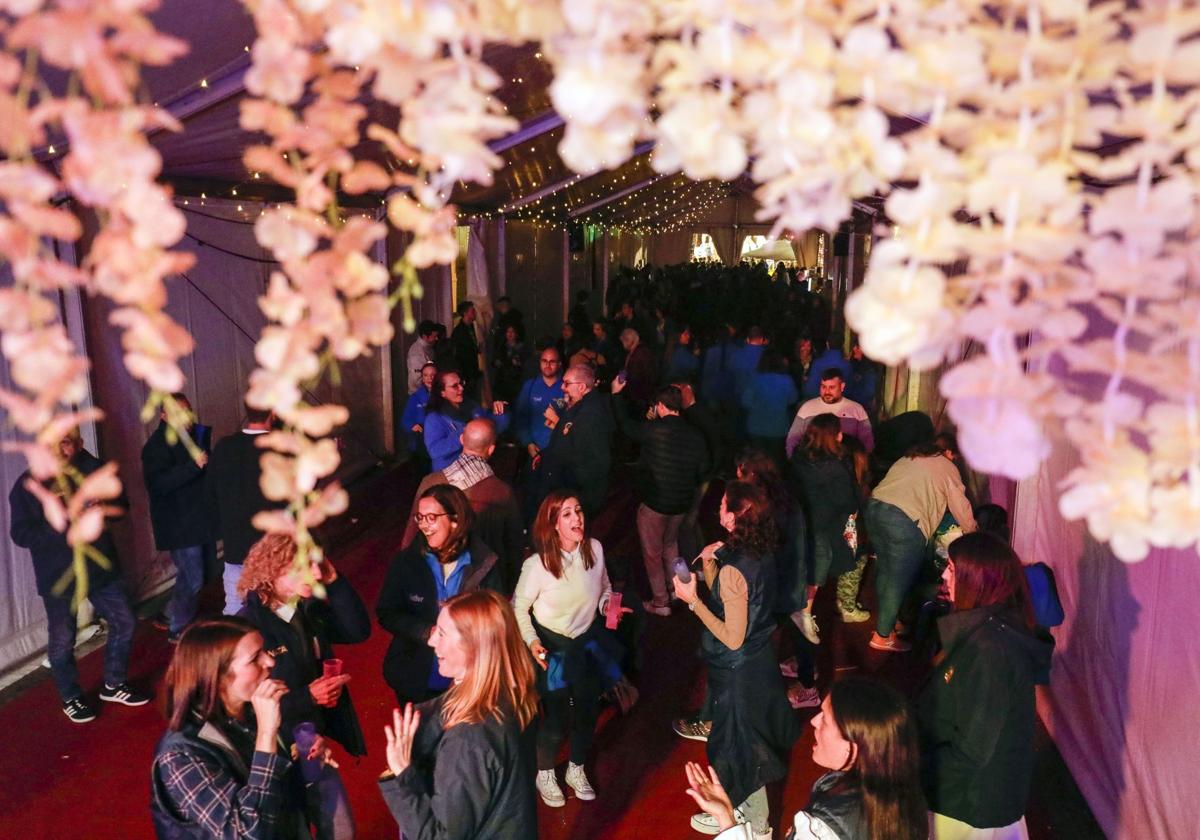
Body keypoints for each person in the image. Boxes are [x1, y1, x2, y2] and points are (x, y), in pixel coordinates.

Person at [673, 481, 800, 838]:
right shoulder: (761, 550)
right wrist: (716, 561)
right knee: (745, 744)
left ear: (732, 516)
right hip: (759, 660)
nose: (718, 509)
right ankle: (742, 810)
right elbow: (734, 600)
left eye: (723, 505)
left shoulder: (736, 568)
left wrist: (691, 599)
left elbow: (731, 634)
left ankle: (756, 827)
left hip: (738, 669)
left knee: (744, 751)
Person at [920, 533, 1053, 840]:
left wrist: (905, 768)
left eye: (952, 569)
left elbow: (971, 753)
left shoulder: (991, 651)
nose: (943, 575)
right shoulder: (984, 630)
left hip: (969, 808)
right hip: (964, 797)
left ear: (978, 580)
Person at [237, 535, 370, 840]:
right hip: (276, 753)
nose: (314, 572)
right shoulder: (249, 627)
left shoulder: (305, 609)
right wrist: (308, 696)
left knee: (339, 830)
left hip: (312, 741)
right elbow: (244, 707)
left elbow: (357, 631)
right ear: (274, 570)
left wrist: (335, 580)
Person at [9, 431, 149, 722]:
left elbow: (122, 506)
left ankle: (113, 682)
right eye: (53, 443)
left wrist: (104, 509)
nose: (61, 448)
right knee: (63, 639)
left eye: (67, 441)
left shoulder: (93, 468)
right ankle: (71, 696)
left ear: (78, 443)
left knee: (125, 620)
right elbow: (20, 534)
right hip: (59, 575)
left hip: (100, 567)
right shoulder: (27, 485)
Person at [378, 590, 539, 839]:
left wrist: (402, 775)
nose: (432, 642)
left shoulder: (469, 738)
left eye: (442, 634)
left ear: (474, 648)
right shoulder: (512, 689)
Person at [685, 677, 927, 840]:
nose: (813, 721)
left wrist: (727, 823)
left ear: (855, 745)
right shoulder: (902, 794)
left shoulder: (823, 828)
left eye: (825, 718)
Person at [512, 491, 633, 807]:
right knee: (555, 719)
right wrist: (532, 641)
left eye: (578, 510)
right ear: (552, 524)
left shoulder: (595, 549)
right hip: (554, 649)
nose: (577, 518)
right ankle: (545, 772)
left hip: (588, 643)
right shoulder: (536, 565)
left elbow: (605, 586)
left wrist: (609, 607)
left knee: (588, 710)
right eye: (566, 514)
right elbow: (518, 607)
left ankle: (576, 768)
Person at [151, 617, 297, 839]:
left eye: (264, 651)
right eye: (254, 658)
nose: (270, 661)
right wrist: (267, 734)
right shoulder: (180, 755)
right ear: (216, 676)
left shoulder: (249, 710)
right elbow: (246, 832)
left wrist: (300, 754)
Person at [377, 484, 503, 705]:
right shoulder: (407, 562)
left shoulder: (485, 564)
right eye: (420, 517)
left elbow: (495, 621)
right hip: (416, 679)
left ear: (455, 519)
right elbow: (387, 612)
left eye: (431, 517)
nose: (424, 526)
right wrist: (426, 631)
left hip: (467, 684)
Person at [865, 425, 977, 652]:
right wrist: (974, 533)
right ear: (949, 453)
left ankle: (887, 622)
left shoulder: (910, 456)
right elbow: (960, 505)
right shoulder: (946, 466)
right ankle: (882, 636)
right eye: (954, 457)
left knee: (885, 570)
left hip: (875, 510)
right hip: (904, 522)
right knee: (898, 581)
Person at [612, 380, 710, 616]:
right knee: (671, 545)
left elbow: (626, 426)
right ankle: (678, 589)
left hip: (655, 504)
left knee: (652, 553)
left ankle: (661, 602)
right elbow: (703, 468)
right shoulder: (695, 434)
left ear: (661, 406)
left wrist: (616, 395)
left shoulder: (652, 430)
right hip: (681, 503)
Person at [402, 419, 525, 591]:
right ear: (491, 449)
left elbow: (411, 536)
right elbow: (514, 546)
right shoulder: (502, 492)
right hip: (482, 589)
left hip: (436, 584)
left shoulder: (430, 482)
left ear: (461, 440)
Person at [141, 393, 216, 642]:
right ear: (164, 416)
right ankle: (178, 628)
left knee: (201, 573)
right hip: (179, 525)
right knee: (193, 576)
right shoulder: (156, 447)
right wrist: (193, 467)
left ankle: (169, 614)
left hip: (198, 518)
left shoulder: (194, 437)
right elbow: (158, 484)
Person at [789, 414, 861, 646]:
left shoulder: (799, 459)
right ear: (833, 436)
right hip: (825, 525)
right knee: (818, 570)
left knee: (805, 567)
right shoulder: (835, 467)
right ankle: (804, 613)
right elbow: (847, 500)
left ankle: (801, 612)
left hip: (801, 521)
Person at [206, 406, 278, 615]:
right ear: (273, 413)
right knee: (281, 608)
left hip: (236, 547)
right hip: (272, 549)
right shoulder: (280, 448)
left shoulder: (224, 447)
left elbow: (210, 495)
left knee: (236, 610)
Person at [538, 364, 615, 518]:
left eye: (567, 383)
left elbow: (590, 459)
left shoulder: (590, 415)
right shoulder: (582, 406)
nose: (562, 387)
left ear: (581, 387)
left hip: (577, 492)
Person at [422, 369, 510, 471]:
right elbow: (435, 451)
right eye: (455, 386)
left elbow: (494, 428)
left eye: (461, 383)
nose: (461, 388)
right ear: (442, 393)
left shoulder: (472, 407)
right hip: (449, 474)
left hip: (477, 469)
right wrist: (467, 432)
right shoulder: (434, 418)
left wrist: (500, 413)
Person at [785, 368, 874, 458]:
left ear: (842, 386)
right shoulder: (807, 408)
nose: (827, 392)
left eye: (831, 387)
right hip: (814, 466)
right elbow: (793, 439)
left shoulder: (857, 410)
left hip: (846, 467)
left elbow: (867, 442)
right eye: (823, 387)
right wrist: (794, 461)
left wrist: (861, 464)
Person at [741, 346, 799, 466]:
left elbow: (745, 401)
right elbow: (793, 399)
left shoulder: (755, 378)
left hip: (756, 426)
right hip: (778, 427)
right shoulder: (786, 380)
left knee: (757, 461)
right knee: (775, 462)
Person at [513, 345, 564, 465]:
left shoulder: (566, 387)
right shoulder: (530, 386)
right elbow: (520, 418)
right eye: (544, 361)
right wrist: (528, 443)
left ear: (559, 364)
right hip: (534, 449)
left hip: (561, 450)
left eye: (552, 362)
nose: (547, 365)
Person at [401, 362, 437, 465]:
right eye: (425, 375)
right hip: (421, 441)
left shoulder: (445, 395)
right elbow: (405, 420)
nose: (429, 378)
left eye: (432, 375)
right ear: (422, 377)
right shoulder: (415, 397)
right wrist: (412, 426)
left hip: (438, 438)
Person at [618, 326, 657, 412]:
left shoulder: (640, 354)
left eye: (623, 342)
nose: (623, 345)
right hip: (640, 393)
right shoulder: (637, 351)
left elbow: (636, 376)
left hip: (641, 395)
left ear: (628, 341)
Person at [450, 301, 482, 396]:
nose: (475, 313)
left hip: (473, 372)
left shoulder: (472, 327)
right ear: (465, 313)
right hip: (465, 374)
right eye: (472, 311)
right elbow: (459, 355)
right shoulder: (458, 332)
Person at [492, 323, 528, 403]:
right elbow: (495, 361)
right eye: (508, 332)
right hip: (502, 381)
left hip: (515, 381)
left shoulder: (521, 348)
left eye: (512, 332)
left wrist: (517, 363)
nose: (510, 334)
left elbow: (524, 364)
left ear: (516, 334)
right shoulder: (501, 347)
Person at [407, 321, 440, 394]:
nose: (436, 339)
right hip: (419, 394)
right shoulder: (416, 352)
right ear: (425, 336)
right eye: (434, 336)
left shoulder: (429, 348)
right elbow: (416, 379)